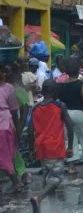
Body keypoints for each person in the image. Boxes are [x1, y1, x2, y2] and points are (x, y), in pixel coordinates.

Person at [29, 80, 74, 213]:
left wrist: (32, 148)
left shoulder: (35, 108)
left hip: (41, 148)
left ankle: (49, 209)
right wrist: (70, 146)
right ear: (55, 91)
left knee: (47, 177)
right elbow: (70, 126)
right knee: (57, 178)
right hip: (55, 147)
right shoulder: (60, 106)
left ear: (43, 91)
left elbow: (30, 131)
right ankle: (39, 198)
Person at [57, 57, 83, 173]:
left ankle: (71, 166)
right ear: (78, 70)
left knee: (70, 140)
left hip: (66, 114)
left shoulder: (60, 85)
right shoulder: (82, 84)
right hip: (81, 114)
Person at [0, 64, 22, 196]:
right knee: (6, 156)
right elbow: (14, 112)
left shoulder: (9, 88)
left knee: (4, 157)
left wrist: (17, 130)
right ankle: (16, 182)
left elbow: (14, 111)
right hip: (6, 124)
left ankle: (16, 182)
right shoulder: (9, 88)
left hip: (4, 126)